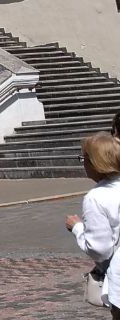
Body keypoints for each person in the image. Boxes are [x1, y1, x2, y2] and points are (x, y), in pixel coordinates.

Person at [67, 133, 120, 317]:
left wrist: (77, 228)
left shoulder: (97, 197)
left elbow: (100, 249)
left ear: (95, 163)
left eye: (84, 158)